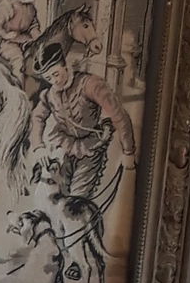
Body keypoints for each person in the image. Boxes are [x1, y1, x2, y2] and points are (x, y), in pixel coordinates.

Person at [29, 42, 136, 198]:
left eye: (56, 74)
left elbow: (118, 114)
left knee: (77, 199)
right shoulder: (49, 95)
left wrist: (128, 151)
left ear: (65, 66)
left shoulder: (90, 84)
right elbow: (37, 118)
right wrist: (38, 147)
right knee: (57, 198)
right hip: (64, 149)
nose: (54, 81)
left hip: (90, 148)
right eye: (48, 78)